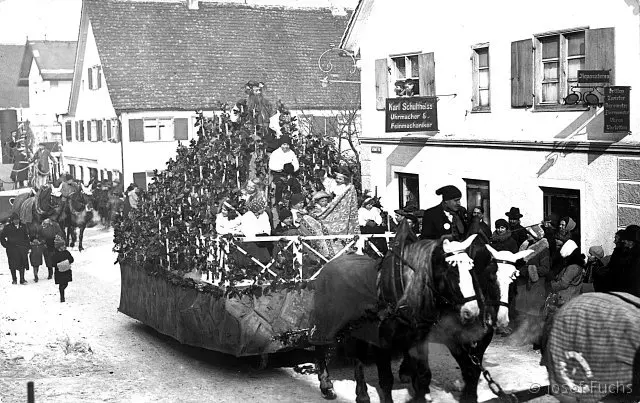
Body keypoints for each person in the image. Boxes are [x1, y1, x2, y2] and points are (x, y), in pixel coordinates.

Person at [269, 136, 300, 204]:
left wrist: (292, 169)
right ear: (281, 144)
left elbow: (296, 164)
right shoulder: (275, 153)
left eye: (287, 145)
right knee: (279, 184)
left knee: (295, 184)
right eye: (284, 144)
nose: (285, 146)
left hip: (289, 173)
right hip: (278, 173)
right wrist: (282, 167)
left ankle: (296, 201)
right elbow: (271, 165)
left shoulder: (291, 153)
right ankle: (279, 202)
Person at [0, 214, 30, 284]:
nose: (16, 221)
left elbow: (26, 237)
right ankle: (14, 279)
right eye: (14, 220)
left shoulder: (23, 226)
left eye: (17, 219)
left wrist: (27, 247)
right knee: (12, 265)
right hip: (11, 249)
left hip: (22, 248)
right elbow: (2, 237)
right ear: (12, 220)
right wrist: (6, 245)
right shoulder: (8, 227)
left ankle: (22, 279)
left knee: (22, 264)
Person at [52, 235, 74, 302]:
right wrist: (59, 265)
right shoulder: (55, 254)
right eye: (62, 245)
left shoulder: (66, 252)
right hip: (60, 271)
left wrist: (67, 262)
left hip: (65, 271)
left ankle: (62, 294)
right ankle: (62, 297)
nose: (64, 246)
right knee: (62, 284)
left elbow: (72, 259)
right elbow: (53, 263)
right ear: (58, 247)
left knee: (65, 283)